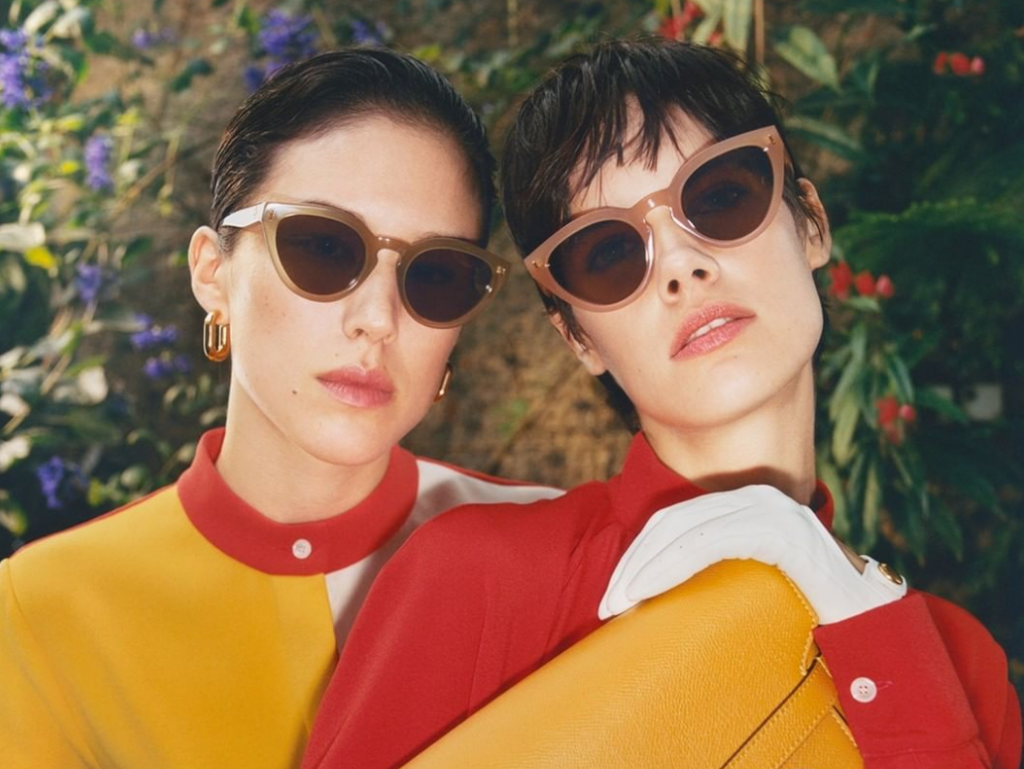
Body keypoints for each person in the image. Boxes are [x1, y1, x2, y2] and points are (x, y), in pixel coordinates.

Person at [300, 39, 1022, 769]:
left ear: (810, 223)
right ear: (578, 337)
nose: (682, 266)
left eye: (719, 198)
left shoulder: (958, 664)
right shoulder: (477, 582)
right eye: (610, 253)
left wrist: (854, 609)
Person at [0, 49, 561, 769]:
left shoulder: (557, 559)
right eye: (324, 247)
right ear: (214, 273)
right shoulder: (42, 613)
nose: (378, 319)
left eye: (437, 274)